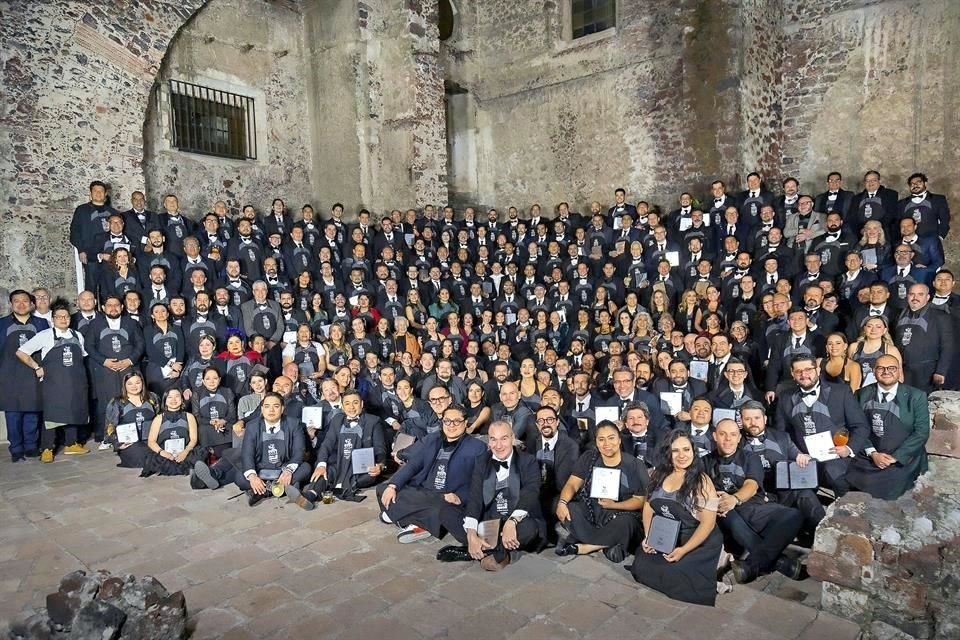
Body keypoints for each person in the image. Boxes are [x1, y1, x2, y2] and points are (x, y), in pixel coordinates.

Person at [435, 420, 545, 571]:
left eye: (504, 439)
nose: (498, 446)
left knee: (530, 528)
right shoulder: (482, 460)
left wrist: (512, 522)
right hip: (489, 519)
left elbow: (531, 493)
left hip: (516, 517)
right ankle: (494, 550)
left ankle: (472, 551)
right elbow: (475, 497)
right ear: (489, 441)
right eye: (493, 439)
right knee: (447, 512)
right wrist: (472, 534)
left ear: (513, 438)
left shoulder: (528, 461)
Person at [631, 429, 723, 606]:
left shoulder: (701, 481)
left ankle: (720, 559)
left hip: (698, 538)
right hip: (668, 535)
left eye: (686, 450)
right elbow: (648, 507)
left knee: (677, 574)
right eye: (676, 451)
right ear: (668, 453)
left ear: (693, 452)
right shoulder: (657, 474)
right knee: (641, 566)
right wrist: (649, 537)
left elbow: (708, 523)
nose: (682, 455)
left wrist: (684, 550)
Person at [705, 419, 803, 583]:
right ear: (715, 436)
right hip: (723, 512)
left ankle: (752, 565)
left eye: (733, 435)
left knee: (794, 515)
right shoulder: (705, 461)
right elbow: (702, 488)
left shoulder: (750, 457)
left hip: (752, 507)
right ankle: (779, 562)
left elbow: (752, 484)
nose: (728, 439)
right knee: (728, 514)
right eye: (723, 434)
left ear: (739, 438)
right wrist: (720, 501)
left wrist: (735, 498)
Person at [377, 404, 487, 542]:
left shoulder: (478, 448)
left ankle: (403, 517)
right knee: (384, 489)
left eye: (456, 421)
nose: (451, 425)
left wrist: (460, 497)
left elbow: (480, 481)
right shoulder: (433, 439)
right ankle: (422, 524)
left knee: (441, 507)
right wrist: (393, 485)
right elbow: (413, 465)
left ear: (465, 423)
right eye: (447, 421)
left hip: (447, 496)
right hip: (424, 491)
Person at [191, 392, 310, 506]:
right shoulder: (252, 426)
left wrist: (288, 470)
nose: (271, 410)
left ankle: (263, 491)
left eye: (276, 406)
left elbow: (298, 451)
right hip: (261, 469)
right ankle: (278, 489)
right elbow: (247, 454)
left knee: (306, 468)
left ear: (282, 409)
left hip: (283, 468)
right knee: (240, 477)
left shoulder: (294, 424)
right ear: (262, 409)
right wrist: (253, 476)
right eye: (267, 406)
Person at [554, 421, 649, 562]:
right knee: (568, 507)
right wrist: (562, 503)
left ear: (619, 440)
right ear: (596, 442)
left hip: (620, 513)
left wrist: (614, 505)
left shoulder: (635, 465)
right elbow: (573, 484)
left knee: (627, 523)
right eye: (601, 439)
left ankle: (588, 546)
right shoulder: (589, 458)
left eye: (611, 438)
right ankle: (609, 542)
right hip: (593, 510)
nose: (607, 444)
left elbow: (640, 501)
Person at [774, 354, 869, 495]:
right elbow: (782, 432)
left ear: (818, 370)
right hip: (804, 457)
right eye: (798, 371)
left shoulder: (841, 392)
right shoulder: (785, 397)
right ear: (792, 374)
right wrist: (796, 454)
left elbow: (861, 426)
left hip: (836, 456)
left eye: (808, 370)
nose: (804, 374)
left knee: (834, 473)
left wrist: (848, 449)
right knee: (791, 486)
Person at [16, 299, 90, 462]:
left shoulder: (77, 335)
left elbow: (82, 358)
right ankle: (47, 448)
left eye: (66, 317)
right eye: (59, 317)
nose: (63, 320)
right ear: (53, 319)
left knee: (74, 411)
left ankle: (71, 444)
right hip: (54, 383)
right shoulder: (45, 335)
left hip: (75, 382)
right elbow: (21, 352)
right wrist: (36, 367)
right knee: (52, 415)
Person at [848, 356, 930, 499]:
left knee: (892, 489)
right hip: (871, 455)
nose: (886, 371)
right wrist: (873, 453)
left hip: (904, 457)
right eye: (881, 368)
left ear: (899, 371)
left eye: (891, 368)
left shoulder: (916, 396)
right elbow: (857, 427)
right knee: (847, 475)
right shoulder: (861, 394)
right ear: (874, 371)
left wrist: (895, 457)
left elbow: (921, 432)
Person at [740, 401, 824, 537]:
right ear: (741, 421)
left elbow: (797, 455)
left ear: (765, 419)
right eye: (747, 419)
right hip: (755, 497)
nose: (753, 423)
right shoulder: (735, 442)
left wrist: (802, 457)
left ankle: (824, 532)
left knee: (805, 494)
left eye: (757, 418)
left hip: (782, 491)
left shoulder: (782, 437)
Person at [298, 389, 386, 504]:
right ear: (342, 406)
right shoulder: (337, 419)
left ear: (362, 404)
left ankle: (334, 486)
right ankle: (311, 494)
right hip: (339, 463)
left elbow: (380, 448)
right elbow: (327, 444)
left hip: (361, 468)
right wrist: (321, 464)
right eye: (347, 403)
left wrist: (380, 465)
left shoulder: (373, 421)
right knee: (325, 471)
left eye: (355, 403)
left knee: (368, 476)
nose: (352, 407)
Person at [85, 294, 144, 449]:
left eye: (116, 305)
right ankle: (108, 437)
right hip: (106, 370)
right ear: (103, 308)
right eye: (109, 305)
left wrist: (129, 360)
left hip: (128, 368)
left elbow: (140, 344)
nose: (113, 308)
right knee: (108, 403)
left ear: (122, 307)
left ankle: (132, 435)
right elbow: (89, 346)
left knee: (130, 400)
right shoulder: (96, 324)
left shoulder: (131, 323)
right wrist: (104, 361)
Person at [0, 290, 49, 461]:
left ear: (31, 304)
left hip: (33, 374)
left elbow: (48, 348)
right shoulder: (2, 324)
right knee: (13, 414)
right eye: (16, 301)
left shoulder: (41, 324)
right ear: (11, 304)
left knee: (32, 412)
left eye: (25, 301)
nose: (21, 304)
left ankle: (31, 446)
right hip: (8, 375)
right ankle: (16, 448)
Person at [530, 405, 580, 545]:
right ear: (536, 425)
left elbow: (563, 481)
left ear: (557, 422)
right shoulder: (531, 443)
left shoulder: (571, 446)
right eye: (541, 421)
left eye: (550, 419)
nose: (545, 423)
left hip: (559, 492)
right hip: (536, 491)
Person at [894, 283, 953, 392]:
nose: (915, 298)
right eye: (912, 294)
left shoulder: (940, 316)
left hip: (927, 373)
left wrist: (941, 371)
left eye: (920, 294)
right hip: (902, 370)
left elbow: (947, 346)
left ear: (928, 297)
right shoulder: (899, 315)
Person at [139, 388, 202, 477]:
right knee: (151, 459)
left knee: (199, 455)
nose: (173, 400)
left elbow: (194, 439)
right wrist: (163, 453)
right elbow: (151, 441)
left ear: (182, 400)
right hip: (165, 453)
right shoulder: (159, 418)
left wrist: (185, 452)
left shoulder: (189, 416)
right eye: (170, 397)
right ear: (165, 400)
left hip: (184, 451)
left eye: (177, 396)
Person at [104, 371, 159, 468]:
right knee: (147, 458)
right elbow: (109, 427)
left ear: (143, 383)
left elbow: (160, 419)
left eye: (138, 383)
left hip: (151, 441)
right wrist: (118, 443)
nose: (134, 386)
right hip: (131, 443)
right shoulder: (117, 402)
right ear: (124, 385)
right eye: (130, 383)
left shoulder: (152, 398)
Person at [193, 366, 237, 462]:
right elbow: (196, 417)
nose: (211, 381)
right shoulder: (197, 394)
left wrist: (222, 421)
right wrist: (211, 422)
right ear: (203, 381)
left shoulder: (227, 392)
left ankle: (217, 458)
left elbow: (232, 415)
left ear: (220, 380)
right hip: (207, 425)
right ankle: (210, 456)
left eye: (215, 378)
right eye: (208, 379)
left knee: (225, 453)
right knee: (203, 429)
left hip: (224, 424)